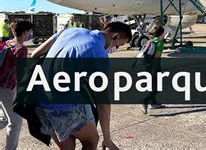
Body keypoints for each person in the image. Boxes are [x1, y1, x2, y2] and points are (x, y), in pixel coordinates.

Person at [31, 22, 131, 150]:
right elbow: (102, 101)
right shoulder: (98, 54)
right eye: (118, 45)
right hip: (65, 105)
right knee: (91, 141)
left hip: (40, 101)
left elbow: (35, 54)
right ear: (115, 36)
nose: (115, 49)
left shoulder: (69, 31)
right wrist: (107, 138)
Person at [0, 20, 34, 149]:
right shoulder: (21, 49)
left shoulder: (6, 43)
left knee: (4, 118)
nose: (30, 34)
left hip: (2, 84)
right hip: (6, 87)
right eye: (30, 32)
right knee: (15, 122)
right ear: (25, 32)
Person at [137, 26, 165, 114]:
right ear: (162, 34)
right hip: (154, 67)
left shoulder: (150, 41)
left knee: (152, 84)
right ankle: (145, 101)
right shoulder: (160, 43)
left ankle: (153, 103)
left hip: (146, 65)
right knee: (158, 86)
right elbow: (156, 58)